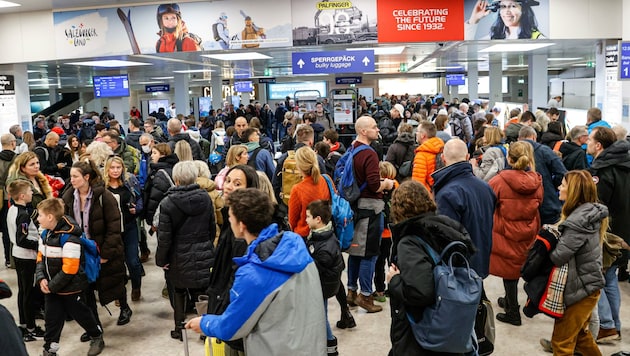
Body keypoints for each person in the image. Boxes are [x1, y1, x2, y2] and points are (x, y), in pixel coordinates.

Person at [185, 188, 326, 355]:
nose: (228, 220)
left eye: (230, 217)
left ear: (241, 225)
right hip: (310, 346)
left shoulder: (254, 274)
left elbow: (231, 327)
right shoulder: (296, 247)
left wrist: (204, 323)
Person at [386, 180, 476, 355]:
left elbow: (420, 292)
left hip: (422, 330)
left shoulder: (410, 241)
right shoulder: (446, 228)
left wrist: (394, 281)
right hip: (451, 322)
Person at [61, 160, 129, 340]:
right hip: (82, 252)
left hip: (105, 248)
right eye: (71, 176)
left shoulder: (104, 197)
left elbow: (114, 227)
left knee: (113, 282)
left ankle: (124, 307)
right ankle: (94, 326)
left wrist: (105, 254)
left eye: (75, 176)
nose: (72, 180)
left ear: (86, 177)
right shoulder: (68, 197)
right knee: (86, 291)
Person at [543, 170, 608, 355]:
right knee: (580, 337)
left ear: (572, 191)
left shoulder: (577, 222)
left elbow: (558, 256)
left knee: (561, 343)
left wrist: (548, 239)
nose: (559, 187)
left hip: (581, 288)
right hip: (587, 284)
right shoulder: (587, 213)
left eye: (563, 185)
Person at [35, 198, 105, 356]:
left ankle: (96, 336)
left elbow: (70, 269)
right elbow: (40, 258)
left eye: (40, 215)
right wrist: (41, 278)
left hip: (71, 290)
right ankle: (49, 350)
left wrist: (51, 286)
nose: (37, 218)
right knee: (52, 322)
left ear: (50, 217)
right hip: (52, 289)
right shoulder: (45, 234)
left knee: (83, 315)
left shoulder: (70, 238)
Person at [156, 161, 215, 340]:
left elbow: (164, 237)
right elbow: (211, 228)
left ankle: (179, 329)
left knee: (179, 291)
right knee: (202, 294)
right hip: (203, 250)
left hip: (178, 256)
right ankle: (204, 330)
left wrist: (161, 260)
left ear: (176, 179)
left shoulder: (167, 203)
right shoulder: (205, 197)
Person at [205, 164, 259, 355]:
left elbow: (237, 281)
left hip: (236, 319)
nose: (228, 186)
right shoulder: (230, 221)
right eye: (227, 181)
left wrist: (221, 315)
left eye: (237, 184)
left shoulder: (244, 234)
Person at [488, 141, 543, 326]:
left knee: (509, 270)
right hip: (528, 230)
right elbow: (539, 202)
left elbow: (489, 202)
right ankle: (509, 300)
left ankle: (513, 312)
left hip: (506, 230)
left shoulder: (499, 180)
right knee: (517, 266)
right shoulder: (536, 180)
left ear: (508, 158)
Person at [346, 116, 395, 313]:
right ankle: (366, 296)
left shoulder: (352, 149)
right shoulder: (370, 154)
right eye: (374, 127)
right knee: (369, 253)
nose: (378, 130)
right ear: (363, 131)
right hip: (371, 207)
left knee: (356, 251)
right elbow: (374, 185)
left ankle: (351, 291)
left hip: (356, 206)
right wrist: (387, 184)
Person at [432, 139, 496, 282]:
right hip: (480, 260)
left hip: (458, 269)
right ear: (467, 158)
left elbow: (445, 236)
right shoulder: (485, 188)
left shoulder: (447, 193)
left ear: (443, 158)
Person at [587, 127, 630, 340]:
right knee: (610, 277)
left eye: (590, 139)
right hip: (623, 232)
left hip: (607, 233)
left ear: (599, 145)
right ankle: (614, 325)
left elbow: (598, 206)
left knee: (597, 278)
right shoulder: (625, 164)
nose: (586, 141)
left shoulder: (603, 170)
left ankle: (606, 324)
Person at [6, 180, 45, 341]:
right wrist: (38, 244)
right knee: (27, 293)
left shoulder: (13, 209)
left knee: (23, 291)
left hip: (17, 254)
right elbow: (21, 239)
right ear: (22, 196)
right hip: (25, 256)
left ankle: (23, 324)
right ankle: (30, 327)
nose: (32, 193)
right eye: (30, 191)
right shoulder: (22, 214)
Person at [305, 200, 345, 356]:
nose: (306, 220)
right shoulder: (322, 237)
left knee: (321, 317)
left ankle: (330, 345)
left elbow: (315, 267)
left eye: (308, 216)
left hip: (322, 286)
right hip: (325, 285)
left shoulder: (324, 247)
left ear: (318, 219)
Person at [103, 156, 143, 302]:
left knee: (132, 261)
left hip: (129, 226)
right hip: (111, 231)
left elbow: (139, 198)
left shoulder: (130, 181)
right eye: (112, 168)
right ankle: (119, 294)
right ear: (107, 169)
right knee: (115, 265)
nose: (115, 171)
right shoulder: (103, 186)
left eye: (118, 168)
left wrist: (137, 209)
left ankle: (136, 287)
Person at [518, 126, 567, 224]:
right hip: (546, 203)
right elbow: (562, 173)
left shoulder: (512, 153)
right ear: (533, 137)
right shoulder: (545, 151)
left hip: (520, 205)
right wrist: (553, 186)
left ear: (519, 138)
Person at [288, 147, 331, 238]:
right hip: (325, 232)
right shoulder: (326, 180)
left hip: (304, 236)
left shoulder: (297, 189)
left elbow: (292, 221)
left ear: (298, 165)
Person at [465, 0, 544, 40]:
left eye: (513, 6)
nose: (507, 11)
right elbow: (464, 51)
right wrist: (474, 19)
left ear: (523, 10)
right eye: (503, 6)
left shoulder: (537, 39)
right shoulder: (494, 37)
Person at [143, 143, 179, 229]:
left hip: (161, 216)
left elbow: (155, 198)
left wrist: (152, 220)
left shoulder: (160, 173)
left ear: (163, 154)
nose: (152, 156)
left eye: (155, 153)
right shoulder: (173, 168)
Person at [411, 121, 445, 192]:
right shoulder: (442, 148)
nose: (416, 133)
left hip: (428, 196)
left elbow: (417, 184)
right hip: (442, 191)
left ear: (422, 135)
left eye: (417, 131)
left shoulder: (421, 155)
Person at [0, 133, 18, 267]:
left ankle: (7, 258)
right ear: (12, 143)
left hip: (1, 198)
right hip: (16, 196)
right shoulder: (18, 159)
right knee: (17, 227)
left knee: (5, 229)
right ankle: (16, 258)